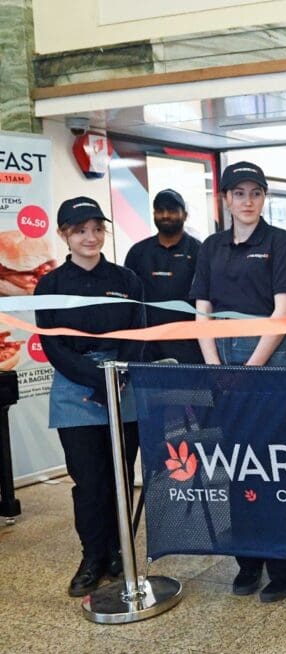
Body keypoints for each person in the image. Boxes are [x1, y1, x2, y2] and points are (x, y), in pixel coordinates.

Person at [190, 161, 286, 603]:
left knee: (270, 465)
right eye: (238, 193)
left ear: (264, 198)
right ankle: (248, 559)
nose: (247, 201)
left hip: (269, 362)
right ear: (225, 199)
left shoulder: (280, 241)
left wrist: (250, 369)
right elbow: (202, 311)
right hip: (221, 364)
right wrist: (215, 368)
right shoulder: (211, 246)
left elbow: (284, 313)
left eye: (255, 193)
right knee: (235, 465)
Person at [35, 196, 146, 597]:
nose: (90, 237)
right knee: (89, 481)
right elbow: (53, 346)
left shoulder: (126, 279)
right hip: (74, 386)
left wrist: (115, 376)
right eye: (80, 230)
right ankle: (92, 556)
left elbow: (138, 332)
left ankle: (120, 551)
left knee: (120, 476)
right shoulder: (50, 285)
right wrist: (96, 381)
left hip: (123, 382)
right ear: (64, 234)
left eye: (97, 229)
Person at [124, 188, 203, 364]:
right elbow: (129, 302)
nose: (166, 215)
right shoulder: (138, 252)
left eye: (173, 210)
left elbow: (207, 302)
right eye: (160, 210)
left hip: (189, 347)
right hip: (147, 346)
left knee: (191, 392)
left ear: (185, 215)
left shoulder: (200, 251)